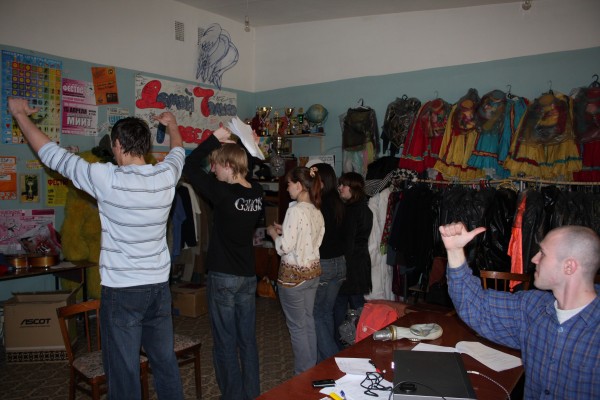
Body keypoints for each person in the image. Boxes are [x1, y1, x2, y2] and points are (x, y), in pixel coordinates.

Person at [8, 97, 185, 399]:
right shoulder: (166, 176)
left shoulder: (106, 178)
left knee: (124, 370)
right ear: (144, 146)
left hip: (123, 291)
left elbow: (53, 156)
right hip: (158, 288)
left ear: (117, 145)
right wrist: (172, 125)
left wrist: (20, 115)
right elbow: (178, 150)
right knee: (165, 361)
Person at [439, 222, 600, 399]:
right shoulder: (532, 307)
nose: (534, 259)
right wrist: (454, 251)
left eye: (543, 253)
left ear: (569, 267)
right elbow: (474, 306)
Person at [183, 126, 263, 399]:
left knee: (225, 341)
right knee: (247, 340)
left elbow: (190, 165)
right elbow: (247, 167)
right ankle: (252, 393)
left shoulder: (222, 193)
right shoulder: (257, 192)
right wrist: (246, 144)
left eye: (216, 165)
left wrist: (213, 140)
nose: (213, 169)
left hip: (224, 277)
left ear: (228, 166)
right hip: (247, 277)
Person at [267, 166, 324, 374]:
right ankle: (311, 369)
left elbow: (284, 247)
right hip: (312, 274)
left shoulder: (295, 210)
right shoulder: (316, 210)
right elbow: (309, 238)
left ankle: (303, 374)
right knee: (308, 322)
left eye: (289, 184)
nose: (287, 188)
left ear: (299, 185)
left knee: (297, 328)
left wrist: (274, 233)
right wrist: (285, 230)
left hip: (293, 278)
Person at [311, 162, 346, 362]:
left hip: (324, 263)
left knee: (316, 315)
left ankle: (333, 361)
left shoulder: (320, 205)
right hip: (340, 263)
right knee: (326, 313)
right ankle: (321, 362)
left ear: (322, 182)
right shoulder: (339, 202)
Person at [334, 172, 373, 349]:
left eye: (344, 185)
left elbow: (347, 243)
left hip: (350, 265)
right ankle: (363, 339)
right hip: (360, 262)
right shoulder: (365, 209)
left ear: (353, 188)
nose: (340, 188)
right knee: (357, 304)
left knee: (341, 305)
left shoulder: (351, 211)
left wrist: (341, 268)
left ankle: (340, 343)